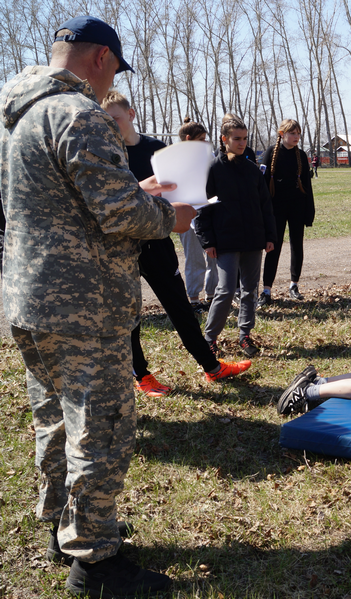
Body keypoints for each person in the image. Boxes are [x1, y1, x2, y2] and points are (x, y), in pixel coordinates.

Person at [0, 15, 196, 596]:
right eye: (113, 66)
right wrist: (170, 217)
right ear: (101, 58)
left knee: (54, 421)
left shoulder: (19, 116)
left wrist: (137, 191)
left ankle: (60, 527)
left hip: (31, 298)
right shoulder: (80, 114)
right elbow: (119, 216)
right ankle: (96, 561)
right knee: (100, 429)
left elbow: (65, 201)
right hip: (83, 304)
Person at [102, 92, 252, 395]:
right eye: (105, 121)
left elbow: (179, 193)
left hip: (156, 242)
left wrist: (187, 205)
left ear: (130, 115)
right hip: (120, 247)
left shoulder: (156, 151)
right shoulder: (105, 155)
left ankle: (212, 367)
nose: (110, 125)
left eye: (114, 118)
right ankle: (141, 375)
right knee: (131, 314)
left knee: (180, 306)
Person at [196, 114, 276, 358]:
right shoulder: (213, 169)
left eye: (244, 138)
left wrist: (270, 236)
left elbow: (265, 206)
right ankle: (209, 339)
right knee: (226, 289)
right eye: (236, 139)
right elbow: (202, 207)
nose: (242, 143)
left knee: (250, 289)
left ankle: (245, 335)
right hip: (225, 241)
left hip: (253, 239)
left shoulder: (253, 171)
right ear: (224, 139)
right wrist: (207, 241)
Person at [259, 118, 315, 305]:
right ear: (282, 134)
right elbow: (263, 184)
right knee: (273, 247)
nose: (296, 137)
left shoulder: (301, 155)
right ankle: (266, 290)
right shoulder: (270, 153)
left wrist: (309, 211)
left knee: (296, 245)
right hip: (276, 209)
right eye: (292, 133)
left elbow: (307, 185)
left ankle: (294, 284)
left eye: (298, 134)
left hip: (297, 207)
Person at [176, 118, 218, 313]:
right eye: (201, 139)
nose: (204, 142)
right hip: (188, 215)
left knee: (213, 255)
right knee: (194, 258)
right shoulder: (175, 160)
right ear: (188, 139)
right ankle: (193, 299)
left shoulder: (208, 157)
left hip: (208, 213)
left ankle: (211, 295)